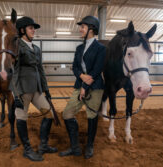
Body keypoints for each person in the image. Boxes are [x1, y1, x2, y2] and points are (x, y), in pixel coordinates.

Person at [10, 16, 57, 161]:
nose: (34, 31)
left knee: (49, 114)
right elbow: (13, 71)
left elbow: (40, 70)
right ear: (22, 30)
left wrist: (46, 88)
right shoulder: (17, 46)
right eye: (31, 28)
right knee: (21, 118)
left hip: (36, 89)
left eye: (34, 28)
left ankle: (43, 145)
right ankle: (27, 150)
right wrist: (16, 95)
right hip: (22, 90)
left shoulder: (36, 48)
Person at [59, 16, 106, 159]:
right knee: (67, 113)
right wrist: (81, 77)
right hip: (80, 84)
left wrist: (85, 85)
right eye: (81, 27)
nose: (80, 29)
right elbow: (75, 67)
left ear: (91, 29)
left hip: (95, 87)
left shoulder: (101, 49)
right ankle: (75, 147)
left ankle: (89, 145)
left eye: (83, 27)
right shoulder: (79, 48)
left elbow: (97, 70)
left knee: (92, 116)